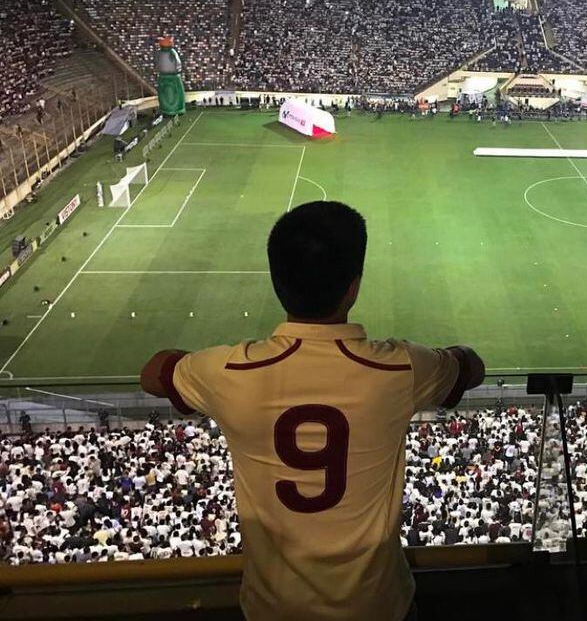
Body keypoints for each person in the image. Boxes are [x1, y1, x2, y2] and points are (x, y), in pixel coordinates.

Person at [140, 201, 486, 621]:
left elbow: (154, 373)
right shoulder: (401, 368)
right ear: (353, 287)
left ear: (276, 281)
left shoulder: (229, 372)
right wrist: (454, 354)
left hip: (274, 611)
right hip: (377, 609)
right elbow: (471, 368)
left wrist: (192, 362)